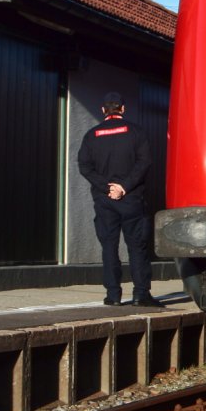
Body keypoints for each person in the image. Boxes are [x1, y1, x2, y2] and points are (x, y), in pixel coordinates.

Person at [77, 92, 164, 308]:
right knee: (137, 247)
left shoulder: (91, 135)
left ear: (103, 110)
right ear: (122, 109)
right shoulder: (136, 132)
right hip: (131, 199)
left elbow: (84, 167)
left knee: (109, 246)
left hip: (104, 200)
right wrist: (123, 187)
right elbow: (145, 162)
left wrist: (106, 187)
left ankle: (113, 295)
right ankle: (140, 294)